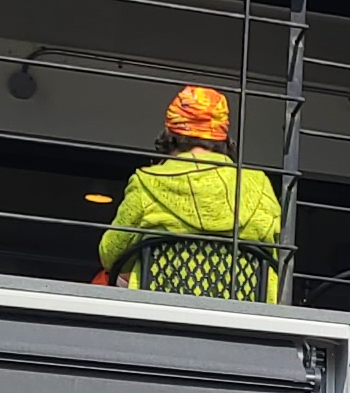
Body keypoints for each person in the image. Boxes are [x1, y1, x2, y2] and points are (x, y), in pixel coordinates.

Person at [96, 83, 283, 296]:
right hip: (241, 309)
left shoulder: (147, 182)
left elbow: (111, 254)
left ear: (170, 137)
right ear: (223, 138)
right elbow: (274, 253)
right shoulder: (259, 185)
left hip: (163, 307)